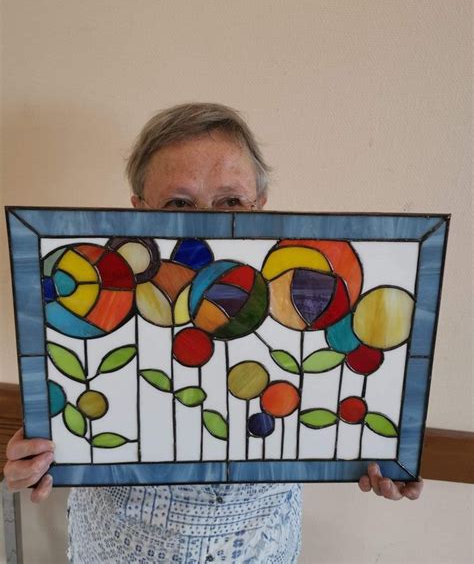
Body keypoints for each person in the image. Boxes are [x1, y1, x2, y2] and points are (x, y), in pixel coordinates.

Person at [4, 102, 423, 562]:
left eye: (230, 202)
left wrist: (390, 455)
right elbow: (86, 403)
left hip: (262, 546)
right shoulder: (103, 300)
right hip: (114, 546)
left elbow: (344, 401)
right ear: (137, 212)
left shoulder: (302, 295)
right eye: (178, 204)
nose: (205, 225)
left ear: (261, 207)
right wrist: (44, 446)